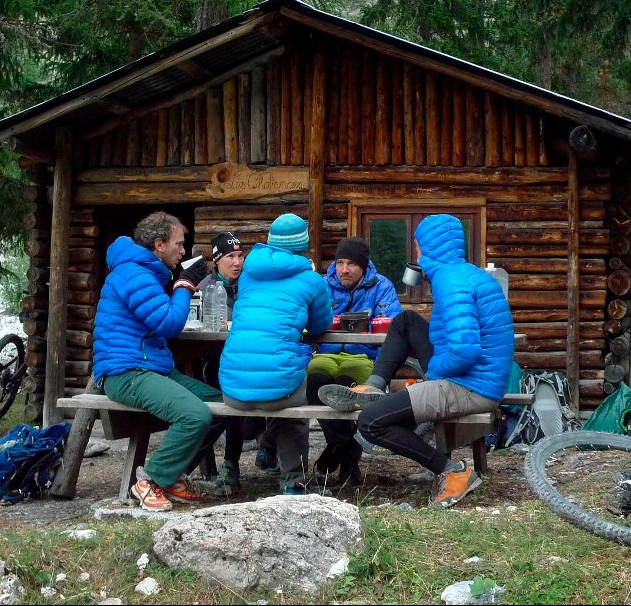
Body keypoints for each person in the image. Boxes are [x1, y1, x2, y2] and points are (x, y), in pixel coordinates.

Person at [321, 214, 514, 508]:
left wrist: (434, 373)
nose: (416, 255)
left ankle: (452, 472)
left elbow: (466, 351)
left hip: (470, 385)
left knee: (371, 423)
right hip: (475, 376)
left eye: (418, 246)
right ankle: (374, 386)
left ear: (429, 247)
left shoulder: (452, 283)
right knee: (406, 321)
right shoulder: (464, 274)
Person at [93, 211, 227, 512]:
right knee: (195, 414)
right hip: (127, 372)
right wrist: (182, 286)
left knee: (221, 406)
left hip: (150, 367)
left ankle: (171, 475)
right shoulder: (134, 274)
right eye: (179, 244)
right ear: (159, 244)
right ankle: (150, 480)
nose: (183, 251)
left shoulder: (144, 273)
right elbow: (168, 323)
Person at [218, 213, 333, 494]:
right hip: (277, 391)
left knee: (273, 378)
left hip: (232, 390)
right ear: (303, 245)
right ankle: (293, 481)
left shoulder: (246, 274)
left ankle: (250, 460)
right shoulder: (311, 279)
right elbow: (320, 325)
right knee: (294, 396)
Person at [307, 236, 402, 486]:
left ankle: (340, 456)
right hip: (325, 353)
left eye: (351, 264)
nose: (344, 270)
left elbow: (393, 331)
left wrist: (382, 373)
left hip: (363, 355)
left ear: (363, 265)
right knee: (315, 383)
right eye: (340, 262)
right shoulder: (321, 285)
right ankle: (345, 453)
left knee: (346, 384)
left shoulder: (381, 286)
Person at [196, 231, 270, 492]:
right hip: (214, 359)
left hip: (250, 358)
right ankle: (248, 451)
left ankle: (254, 449)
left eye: (240, 256)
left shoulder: (251, 285)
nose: (237, 262)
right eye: (230, 257)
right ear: (216, 260)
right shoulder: (205, 288)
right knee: (229, 389)